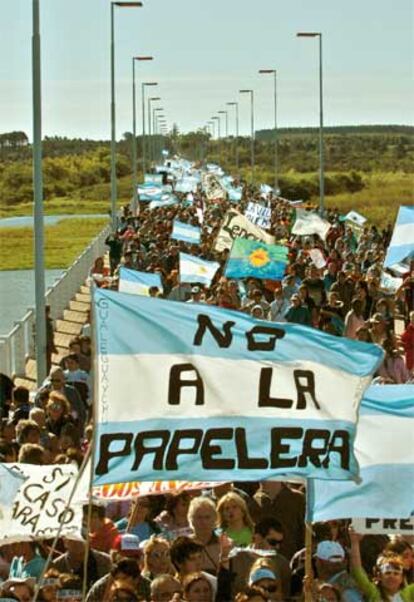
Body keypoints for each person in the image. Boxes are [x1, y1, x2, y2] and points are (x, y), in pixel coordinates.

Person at [349, 529, 414, 601]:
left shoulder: (409, 592)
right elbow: (357, 572)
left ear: (402, 578)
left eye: (396, 573)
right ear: (379, 576)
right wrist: (354, 542)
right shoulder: (373, 592)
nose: (391, 576)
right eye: (387, 573)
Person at [188, 496, 220, 575]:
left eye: (207, 517)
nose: (203, 522)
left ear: (215, 519)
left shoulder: (224, 544)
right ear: (191, 519)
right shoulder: (184, 545)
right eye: (199, 517)